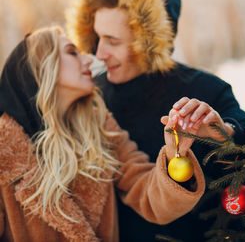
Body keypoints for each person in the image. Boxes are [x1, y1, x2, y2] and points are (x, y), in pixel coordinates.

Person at [66, 0, 245, 241]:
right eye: (97, 37)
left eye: (112, 41)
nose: (99, 53)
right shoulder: (93, 97)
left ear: (149, 42)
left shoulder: (206, 91)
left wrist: (224, 135)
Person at [0, 26, 207, 242]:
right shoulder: (4, 148)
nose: (88, 60)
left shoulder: (101, 128)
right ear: (40, 67)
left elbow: (149, 196)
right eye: (72, 52)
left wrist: (176, 154)